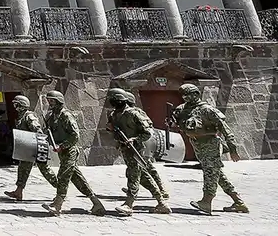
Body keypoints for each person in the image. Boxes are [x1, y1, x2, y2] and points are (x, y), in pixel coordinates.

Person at [170, 83, 248, 214]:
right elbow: (176, 123)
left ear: (196, 94)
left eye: (188, 94)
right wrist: (171, 122)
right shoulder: (182, 109)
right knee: (216, 173)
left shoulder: (207, 110)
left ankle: (206, 201)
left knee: (210, 172)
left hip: (211, 144)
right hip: (197, 144)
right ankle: (238, 202)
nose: (185, 97)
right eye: (183, 95)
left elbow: (225, 129)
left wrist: (233, 149)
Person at [105, 88, 171, 216]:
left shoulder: (134, 114)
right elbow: (112, 129)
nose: (112, 102)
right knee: (144, 177)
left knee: (133, 175)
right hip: (125, 149)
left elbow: (148, 132)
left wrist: (135, 139)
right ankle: (162, 202)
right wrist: (111, 129)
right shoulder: (113, 115)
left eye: (114, 100)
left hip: (138, 149)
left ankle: (129, 204)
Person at [41, 90, 105, 216]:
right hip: (61, 152)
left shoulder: (66, 115)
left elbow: (75, 135)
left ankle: (58, 204)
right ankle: (96, 203)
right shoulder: (51, 116)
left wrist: (62, 145)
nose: (50, 103)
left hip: (70, 150)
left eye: (52, 100)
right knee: (77, 179)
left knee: (63, 176)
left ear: (59, 101)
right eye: (49, 100)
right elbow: (50, 132)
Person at [4, 95, 57, 201]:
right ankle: (18, 192)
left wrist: (38, 144)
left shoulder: (29, 116)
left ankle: (60, 189)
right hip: (27, 148)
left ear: (22, 105)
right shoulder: (21, 116)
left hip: (35, 147)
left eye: (16, 104)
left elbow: (37, 130)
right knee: (23, 169)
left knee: (45, 170)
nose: (15, 106)